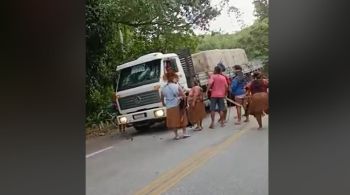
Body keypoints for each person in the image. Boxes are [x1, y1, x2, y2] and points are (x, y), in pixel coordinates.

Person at [161, 72, 190, 139]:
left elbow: (162, 98)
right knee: (182, 118)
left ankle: (176, 135)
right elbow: (184, 96)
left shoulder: (163, 88)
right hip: (178, 105)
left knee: (173, 121)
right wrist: (185, 103)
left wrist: (164, 104)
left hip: (169, 107)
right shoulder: (177, 86)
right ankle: (184, 133)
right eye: (176, 78)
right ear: (173, 78)